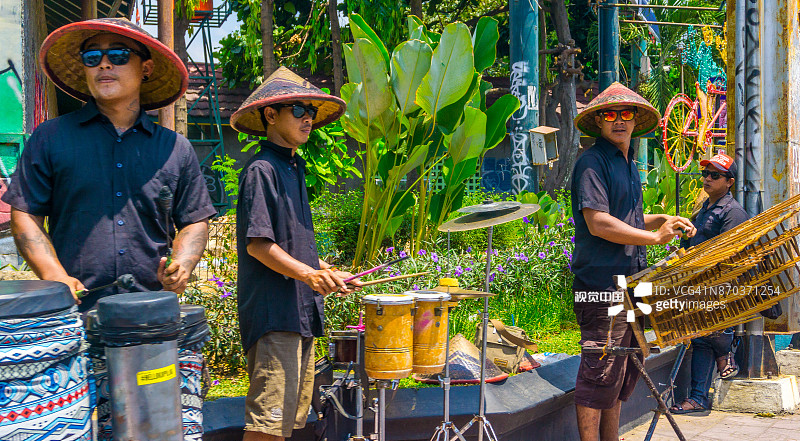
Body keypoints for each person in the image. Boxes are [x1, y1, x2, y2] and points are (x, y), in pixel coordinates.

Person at [2, 18, 215, 310]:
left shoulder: (175, 149)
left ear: (146, 69)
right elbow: (25, 213)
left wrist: (184, 262)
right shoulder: (49, 139)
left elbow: (193, 221)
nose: (104, 64)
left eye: (119, 55)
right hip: (73, 318)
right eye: (92, 57)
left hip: (153, 319)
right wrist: (54, 275)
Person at [230, 67, 362, 441]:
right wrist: (308, 275)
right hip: (275, 316)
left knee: (288, 424)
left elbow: (292, 243)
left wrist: (326, 270)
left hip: (301, 313)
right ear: (271, 115)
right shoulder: (261, 170)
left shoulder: (294, 167)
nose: (309, 118)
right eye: (299, 110)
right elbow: (258, 245)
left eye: (310, 111)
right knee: (267, 427)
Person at [571, 82, 697, 441]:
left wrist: (661, 220)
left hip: (630, 284)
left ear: (635, 119)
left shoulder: (628, 163)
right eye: (609, 115)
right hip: (601, 287)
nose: (618, 121)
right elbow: (599, 223)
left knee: (621, 371)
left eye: (626, 114)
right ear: (598, 122)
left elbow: (627, 222)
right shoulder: (592, 163)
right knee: (598, 369)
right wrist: (655, 238)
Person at [670, 151, 748, 414]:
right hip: (698, 286)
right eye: (705, 173)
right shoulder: (705, 208)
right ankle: (701, 394)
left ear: (729, 182)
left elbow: (727, 254)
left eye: (715, 175)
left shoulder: (733, 212)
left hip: (718, 289)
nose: (707, 179)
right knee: (702, 339)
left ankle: (725, 353)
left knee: (708, 336)